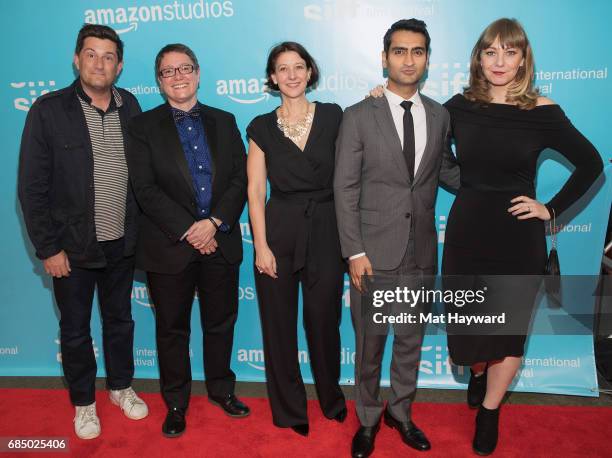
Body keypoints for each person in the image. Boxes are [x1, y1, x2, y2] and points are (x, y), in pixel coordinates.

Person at [441, 18, 603, 455]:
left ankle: (490, 411)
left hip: (517, 236)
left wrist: (549, 209)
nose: (499, 61)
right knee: (468, 332)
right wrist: (382, 98)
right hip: (467, 230)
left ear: (523, 59)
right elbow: (420, 142)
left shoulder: (541, 111)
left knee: (509, 332)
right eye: (490, 51)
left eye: (509, 52)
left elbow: (592, 164)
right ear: (478, 57)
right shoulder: (457, 107)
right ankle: (476, 371)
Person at [334, 19, 460, 458]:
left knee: (410, 341)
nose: (409, 60)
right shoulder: (358, 115)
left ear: (427, 59)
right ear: (385, 57)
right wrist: (354, 250)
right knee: (370, 345)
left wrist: (497, 183)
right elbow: (344, 188)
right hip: (372, 255)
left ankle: (401, 413)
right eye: (401, 51)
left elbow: (446, 172)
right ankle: (367, 419)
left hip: (421, 253)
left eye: (418, 51)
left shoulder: (441, 115)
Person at [18, 24, 148, 440]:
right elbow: (31, 187)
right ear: (77, 59)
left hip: (122, 244)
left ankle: (120, 387)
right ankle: (83, 402)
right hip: (71, 250)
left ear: (120, 65)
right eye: (91, 54)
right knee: (75, 329)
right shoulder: (49, 110)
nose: (99, 63)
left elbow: (142, 178)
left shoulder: (132, 107)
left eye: (108, 56)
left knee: (121, 320)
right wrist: (48, 247)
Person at [125, 43, 249, 438]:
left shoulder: (225, 120)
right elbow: (144, 189)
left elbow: (239, 179)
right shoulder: (142, 127)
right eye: (168, 71)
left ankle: (221, 390)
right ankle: (176, 403)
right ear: (159, 81)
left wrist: (213, 222)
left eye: (185, 68)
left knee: (221, 322)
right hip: (169, 245)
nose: (178, 77)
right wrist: (193, 230)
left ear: (197, 73)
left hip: (221, 239)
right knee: (172, 329)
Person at [246, 42, 347, 437]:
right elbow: (255, 192)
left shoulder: (335, 116)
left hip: (326, 227)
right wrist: (261, 245)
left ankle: (331, 399)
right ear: (272, 77)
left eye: (298, 67)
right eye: (282, 68)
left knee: (324, 322)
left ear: (309, 72)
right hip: (280, 228)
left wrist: (377, 95)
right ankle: (289, 409)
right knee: (278, 324)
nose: (291, 75)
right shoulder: (260, 127)